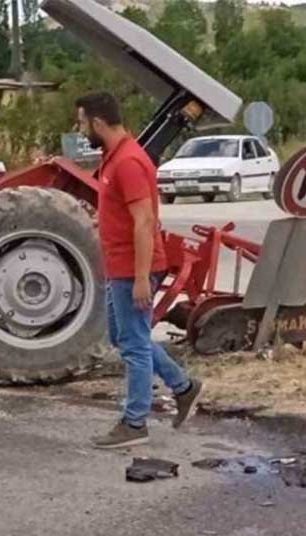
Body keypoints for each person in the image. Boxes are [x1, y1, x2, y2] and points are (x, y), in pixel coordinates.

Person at [76, 92, 202, 449]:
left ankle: (135, 423)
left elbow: (144, 222)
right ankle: (183, 386)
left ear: (99, 123)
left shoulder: (129, 162)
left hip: (134, 270)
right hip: (119, 267)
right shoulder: (114, 159)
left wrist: (143, 278)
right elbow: (124, 214)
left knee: (133, 345)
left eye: (82, 122)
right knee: (125, 337)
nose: (80, 129)